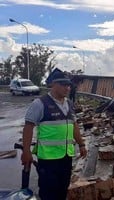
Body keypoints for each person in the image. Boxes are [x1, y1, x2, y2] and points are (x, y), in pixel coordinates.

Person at [21, 69, 87, 200]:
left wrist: (81, 144)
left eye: (68, 85)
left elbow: (73, 126)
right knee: (49, 193)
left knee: (63, 190)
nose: (67, 88)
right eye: (63, 85)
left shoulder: (69, 104)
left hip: (66, 157)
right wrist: (26, 151)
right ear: (53, 84)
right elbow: (28, 127)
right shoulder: (40, 103)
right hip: (48, 159)